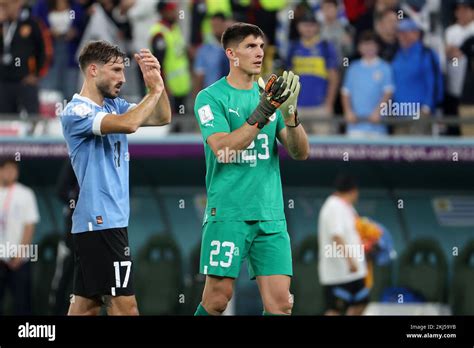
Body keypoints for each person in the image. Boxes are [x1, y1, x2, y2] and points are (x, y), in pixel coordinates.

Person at [193, 22, 309, 316]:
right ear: (232, 53)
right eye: (250, 46)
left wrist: (290, 115)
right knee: (218, 300)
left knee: (281, 305)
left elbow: (300, 152)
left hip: (270, 216)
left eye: (261, 46)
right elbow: (224, 150)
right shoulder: (211, 97)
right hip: (229, 213)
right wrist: (264, 111)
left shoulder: (271, 95)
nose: (259, 52)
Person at [60, 40, 171, 316]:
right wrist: (153, 92)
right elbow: (130, 124)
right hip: (100, 222)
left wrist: (157, 84)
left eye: (124, 71)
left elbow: (162, 116)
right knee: (126, 308)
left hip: (104, 223)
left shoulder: (115, 104)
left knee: (86, 308)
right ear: (93, 70)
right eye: (116, 70)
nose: (122, 78)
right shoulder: (76, 112)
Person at [318, 175, 369, 316]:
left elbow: (352, 233)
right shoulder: (333, 206)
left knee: (361, 303)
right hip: (338, 272)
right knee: (335, 310)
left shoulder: (348, 208)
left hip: (354, 273)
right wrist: (350, 260)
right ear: (353, 191)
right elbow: (336, 235)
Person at [287, 12, 339, 135]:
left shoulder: (325, 46)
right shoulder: (293, 47)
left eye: (312, 25)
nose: (308, 28)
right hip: (297, 107)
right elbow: (288, 78)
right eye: (305, 25)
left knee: (322, 149)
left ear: (317, 27)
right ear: (299, 27)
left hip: (320, 107)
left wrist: (329, 104)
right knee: (298, 149)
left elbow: (334, 78)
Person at [0, 159, 40, 315]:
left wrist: (20, 254)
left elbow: (29, 226)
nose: (11, 173)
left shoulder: (25, 194)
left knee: (22, 304)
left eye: (14, 169)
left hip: (19, 259)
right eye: (7, 169)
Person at [0, 0, 53, 117]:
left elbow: (46, 51)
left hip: (26, 81)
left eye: (6, 5)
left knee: (32, 119)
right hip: (3, 83)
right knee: (4, 122)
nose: (4, 8)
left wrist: (37, 74)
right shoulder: (2, 25)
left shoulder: (33, 24)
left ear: (18, 4)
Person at [341, 31, 394, 137]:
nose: (368, 48)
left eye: (371, 44)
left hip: (378, 127)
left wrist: (378, 111)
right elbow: (345, 93)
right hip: (355, 126)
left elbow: (388, 93)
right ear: (359, 47)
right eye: (365, 44)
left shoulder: (385, 68)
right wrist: (348, 111)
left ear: (377, 47)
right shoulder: (353, 68)